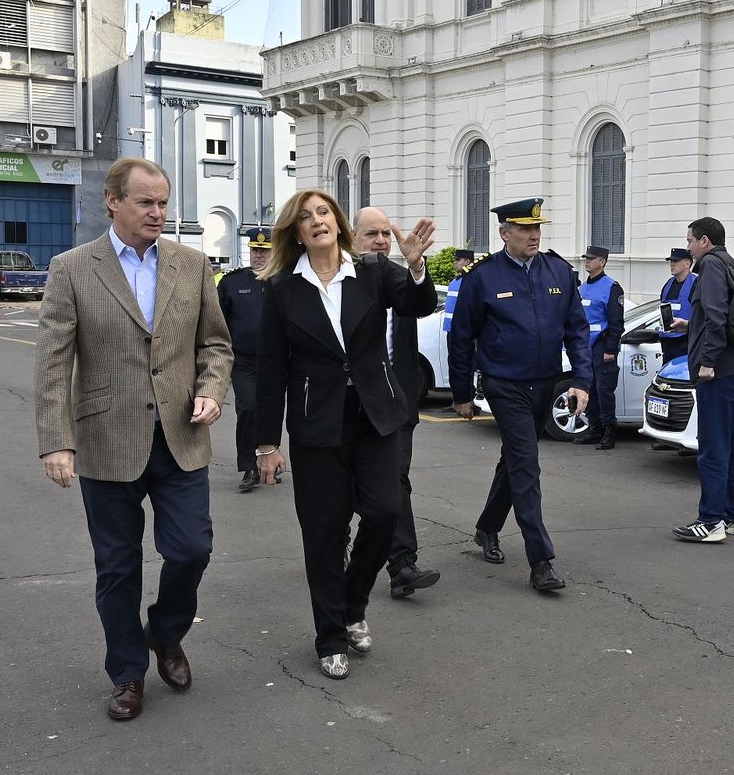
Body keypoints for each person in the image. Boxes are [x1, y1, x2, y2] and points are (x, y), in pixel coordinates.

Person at [33, 157, 232, 721]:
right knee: (117, 568)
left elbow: (215, 345)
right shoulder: (72, 269)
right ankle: (126, 672)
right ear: (113, 202)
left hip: (181, 435)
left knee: (192, 549)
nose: (158, 213)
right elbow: (53, 363)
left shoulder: (192, 266)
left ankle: (166, 633)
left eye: (164, 202)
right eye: (146, 202)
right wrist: (56, 440)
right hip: (105, 439)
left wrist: (213, 390)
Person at [253, 191, 436, 680]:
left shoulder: (374, 272)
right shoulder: (283, 290)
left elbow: (417, 304)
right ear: (295, 232)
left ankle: (354, 602)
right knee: (325, 532)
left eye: (324, 212)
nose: (317, 221)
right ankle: (330, 633)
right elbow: (270, 371)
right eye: (306, 217)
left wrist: (417, 267)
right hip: (317, 424)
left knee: (383, 511)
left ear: (337, 221)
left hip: (375, 414)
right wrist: (267, 444)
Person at [447, 198, 591, 592]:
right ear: (504, 233)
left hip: (545, 383)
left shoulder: (558, 269)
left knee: (515, 459)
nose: (534, 235)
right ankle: (540, 560)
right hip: (504, 384)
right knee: (527, 464)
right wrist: (461, 393)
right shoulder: (483, 277)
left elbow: (578, 331)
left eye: (537, 228)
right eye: (526, 229)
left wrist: (582, 381)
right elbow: (461, 338)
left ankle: (487, 527)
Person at [352, 206, 443, 600]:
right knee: (347, 483)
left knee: (396, 480)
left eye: (385, 234)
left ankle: (402, 565)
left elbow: (420, 302)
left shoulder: (398, 278)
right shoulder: (341, 279)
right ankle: (341, 542)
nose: (380, 241)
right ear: (352, 238)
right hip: (350, 402)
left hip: (395, 401)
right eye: (371, 234)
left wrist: (417, 265)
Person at [673, 216, 734, 543]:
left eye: (691, 240)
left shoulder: (709, 265)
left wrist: (707, 362)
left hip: (720, 371)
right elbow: (717, 314)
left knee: (713, 446)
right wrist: (689, 324)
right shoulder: (732, 266)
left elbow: (716, 315)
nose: (688, 246)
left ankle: (710, 521)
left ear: (705, 241)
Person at [217, 230, 273, 493]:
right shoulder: (232, 282)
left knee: (270, 412)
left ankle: (269, 461)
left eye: (265, 251)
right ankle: (249, 466)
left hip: (275, 361)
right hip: (244, 361)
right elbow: (217, 323)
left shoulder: (282, 282)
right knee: (248, 408)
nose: (259, 255)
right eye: (255, 250)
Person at [576, 245, 624, 450]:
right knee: (590, 390)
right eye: (586, 258)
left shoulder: (611, 287)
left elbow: (616, 323)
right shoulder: (582, 288)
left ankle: (609, 431)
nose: (587, 261)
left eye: (592, 259)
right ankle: (594, 428)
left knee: (604, 390)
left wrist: (610, 350)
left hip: (603, 346)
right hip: (586, 347)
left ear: (602, 262)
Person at [658, 248, 695, 365]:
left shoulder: (696, 283)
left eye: (676, 261)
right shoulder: (668, 284)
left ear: (687, 264)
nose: (672, 264)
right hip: (667, 341)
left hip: (686, 340)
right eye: (671, 261)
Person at [441, 249, 478, 334]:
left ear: (467, 261)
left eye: (458, 260)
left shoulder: (473, 281)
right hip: (450, 329)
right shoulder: (455, 281)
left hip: (464, 330)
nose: (455, 262)